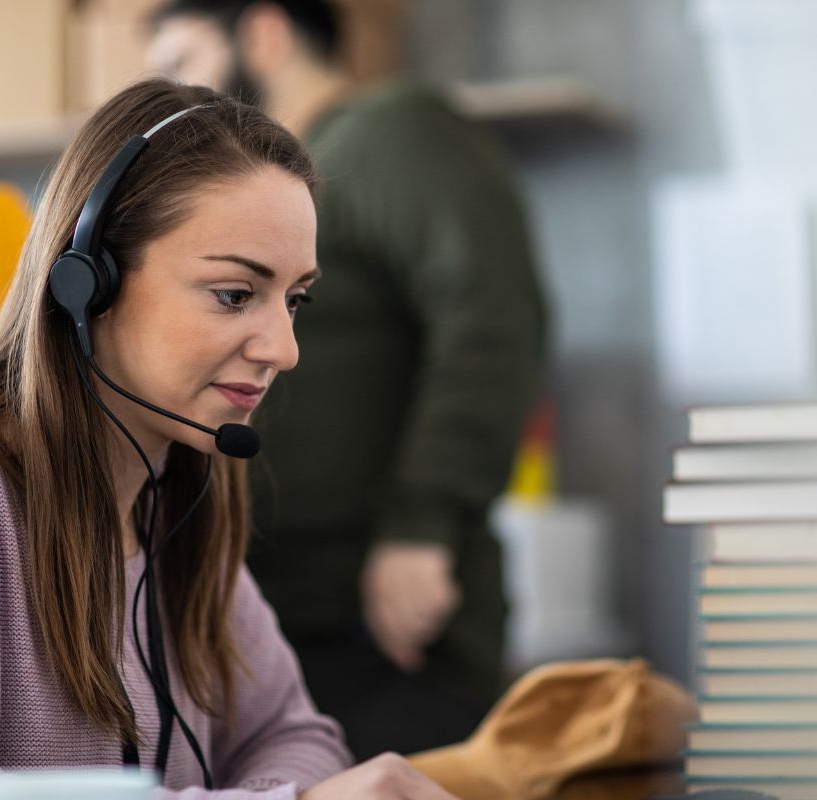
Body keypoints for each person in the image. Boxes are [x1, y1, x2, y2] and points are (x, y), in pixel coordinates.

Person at [0, 79, 460, 800]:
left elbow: (294, 735)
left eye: (295, 300)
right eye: (234, 294)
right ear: (87, 281)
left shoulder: (180, 501)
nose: (284, 349)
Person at [146, 0, 547, 759]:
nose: (172, 103)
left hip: (384, 632)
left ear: (263, 36)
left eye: (182, 64)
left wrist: (419, 530)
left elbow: (491, 319)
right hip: (272, 633)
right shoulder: (261, 200)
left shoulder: (392, 133)